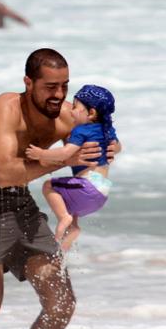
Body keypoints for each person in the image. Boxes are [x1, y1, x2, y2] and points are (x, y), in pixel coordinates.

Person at [0, 48, 121, 329]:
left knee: (61, 303)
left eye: (65, 86)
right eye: (50, 87)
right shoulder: (6, 108)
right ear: (29, 83)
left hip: (20, 199)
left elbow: (96, 152)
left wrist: (106, 153)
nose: (59, 95)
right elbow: (4, 173)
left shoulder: (68, 117)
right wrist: (61, 159)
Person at [26, 85, 117, 251]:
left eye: (75, 107)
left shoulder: (81, 131)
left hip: (87, 186)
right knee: (68, 202)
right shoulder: (107, 130)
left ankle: (64, 219)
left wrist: (41, 154)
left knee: (49, 186)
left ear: (91, 113)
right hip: (102, 192)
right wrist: (114, 149)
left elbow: (65, 152)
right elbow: (117, 146)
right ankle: (69, 235)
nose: (70, 111)